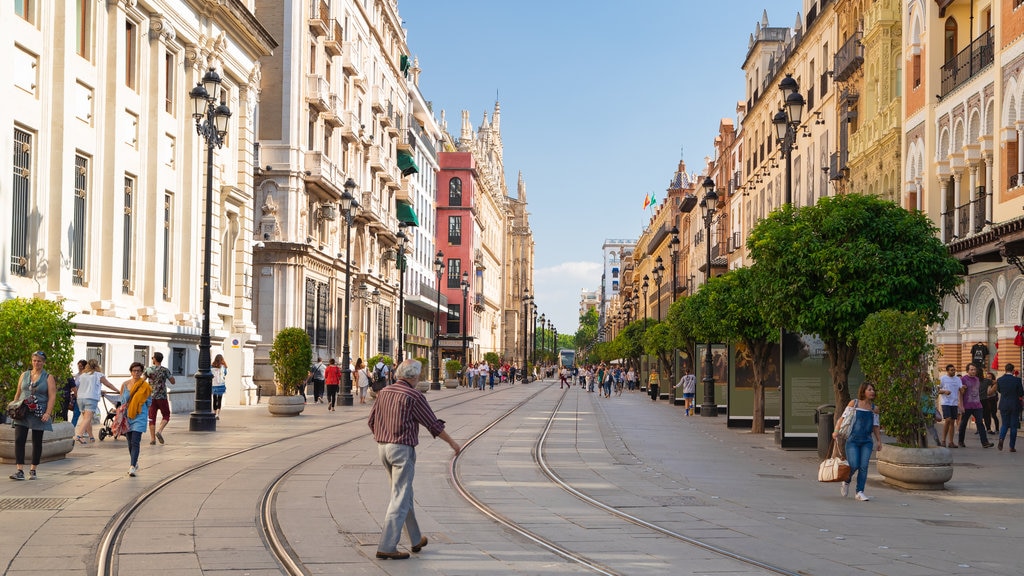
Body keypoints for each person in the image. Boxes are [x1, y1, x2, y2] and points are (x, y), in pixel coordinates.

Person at [367, 359, 460, 559]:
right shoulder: (414, 396)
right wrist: (452, 443)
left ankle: (415, 539)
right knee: (400, 497)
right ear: (414, 376)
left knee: (404, 492)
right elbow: (432, 424)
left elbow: (371, 421)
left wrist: (384, 437)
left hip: (382, 448)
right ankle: (387, 546)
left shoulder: (384, 392)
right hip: (401, 450)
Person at [8, 351, 58, 481]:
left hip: (38, 412)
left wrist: (48, 412)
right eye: (35, 360)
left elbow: (52, 397)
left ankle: (33, 469)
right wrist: (14, 407)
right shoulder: (24, 375)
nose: (37, 363)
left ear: (44, 362)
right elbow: (18, 393)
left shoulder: (48, 377)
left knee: (37, 441)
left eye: (39, 361)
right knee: (19, 440)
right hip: (22, 411)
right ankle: (19, 470)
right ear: (32, 361)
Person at [833, 382, 882, 501]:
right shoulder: (854, 403)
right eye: (869, 389)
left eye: (873, 389)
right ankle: (846, 480)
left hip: (867, 441)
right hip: (853, 440)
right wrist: (836, 431)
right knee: (854, 464)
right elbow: (843, 418)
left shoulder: (874, 409)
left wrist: (878, 441)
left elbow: (875, 425)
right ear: (863, 391)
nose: (872, 392)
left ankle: (859, 492)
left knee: (864, 466)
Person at [74, 359, 118, 444]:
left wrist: (99, 391)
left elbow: (85, 386)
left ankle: (91, 437)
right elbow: (108, 384)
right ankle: (79, 435)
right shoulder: (99, 375)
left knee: (86, 419)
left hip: (80, 398)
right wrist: (118, 391)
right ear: (97, 366)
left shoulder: (82, 375)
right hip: (91, 398)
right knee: (87, 418)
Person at [120, 362, 152, 477]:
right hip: (127, 416)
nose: (136, 373)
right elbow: (122, 401)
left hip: (140, 416)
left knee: (135, 441)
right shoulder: (125, 385)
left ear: (142, 372)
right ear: (131, 372)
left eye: (138, 371)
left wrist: (142, 412)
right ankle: (135, 462)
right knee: (129, 443)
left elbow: (149, 402)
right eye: (134, 371)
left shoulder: (145, 386)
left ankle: (132, 466)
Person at [957, 364, 994, 448]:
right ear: (967, 371)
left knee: (980, 423)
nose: (973, 371)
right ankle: (961, 441)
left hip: (977, 405)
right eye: (971, 370)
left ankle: (985, 442)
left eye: (974, 370)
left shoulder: (977, 379)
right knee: (963, 423)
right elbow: (960, 393)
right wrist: (961, 405)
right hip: (967, 405)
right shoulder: (963, 379)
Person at [144, 352, 175, 445]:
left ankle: (152, 439)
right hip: (162, 396)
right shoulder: (165, 370)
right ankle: (160, 431)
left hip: (151, 397)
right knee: (166, 415)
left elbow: (142, 380)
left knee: (151, 417)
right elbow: (173, 381)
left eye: (152, 357)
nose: (152, 359)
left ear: (155, 359)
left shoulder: (149, 370)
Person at [995, 363, 1024, 452]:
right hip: (1014, 404)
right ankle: (1012, 446)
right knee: (1013, 426)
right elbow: (1021, 393)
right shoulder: (1017, 380)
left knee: (1004, 424)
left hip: (1003, 404)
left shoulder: (999, 379)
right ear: (1013, 370)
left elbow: (999, 390)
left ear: (1005, 369)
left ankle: (1001, 438)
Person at [938, 364, 962, 448]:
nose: (953, 371)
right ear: (947, 371)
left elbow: (961, 389)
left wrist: (964, 388)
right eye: (951, 370)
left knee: (952, 422)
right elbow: (936, 390)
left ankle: (951, 442)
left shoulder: (958, 379)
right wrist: (944, 391)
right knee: (947, 420)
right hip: (946, 402)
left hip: (954, 403)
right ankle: (943, 440)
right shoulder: (942, 379)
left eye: (954, 370)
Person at [981, 370, 1000, 434]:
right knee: (987, 415)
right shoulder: (985, 383)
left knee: (994, 415)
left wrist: (987, 386)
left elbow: (989, 393)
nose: (988, 378)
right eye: (987, 377)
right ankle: (988, 428)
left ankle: (997, 429)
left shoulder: (994, 384)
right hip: (986, 400)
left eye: (990, 377)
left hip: (992, 401)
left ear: (992, 378)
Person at [211, 354, 228, 420]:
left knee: (214, 399)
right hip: (221, 384)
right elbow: (225, 374)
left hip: (214, 385)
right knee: (220, 399)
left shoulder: (212, 366)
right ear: (222, 359)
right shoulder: (224, 367)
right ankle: (218, 414)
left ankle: (214, 413)